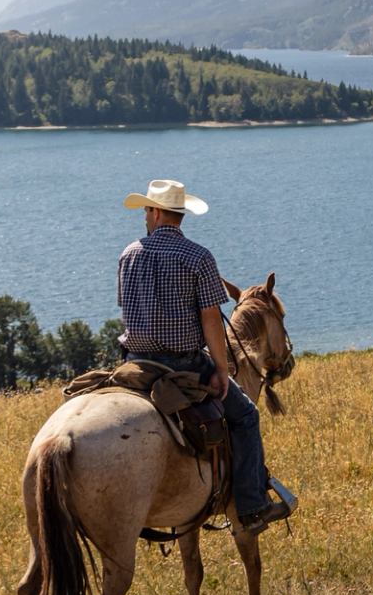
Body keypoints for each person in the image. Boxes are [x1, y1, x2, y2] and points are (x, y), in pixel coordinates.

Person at [117, 178, 292, 536]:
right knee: (246, 417)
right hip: (182, 364)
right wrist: (219, 368)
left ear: (153, 212)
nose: (145, 217)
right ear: (179, 214)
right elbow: (212, 320)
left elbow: (127, 312)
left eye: (147, 211)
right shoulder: (198, 257)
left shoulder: (128, 254)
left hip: (134, 362)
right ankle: (252, 505)